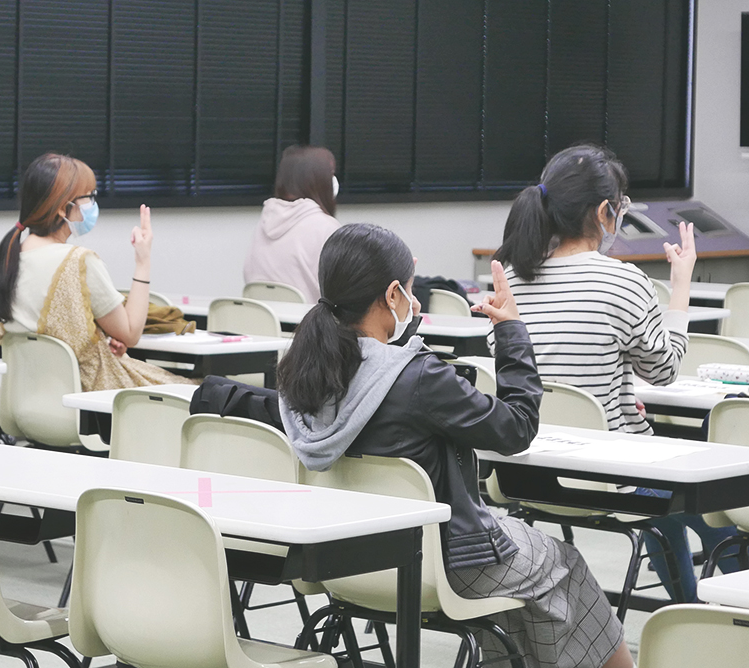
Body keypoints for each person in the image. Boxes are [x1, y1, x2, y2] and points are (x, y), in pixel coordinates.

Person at [278, 223, 631, 668]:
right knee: (565, 563)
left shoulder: (304, 371)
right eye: (409, 289)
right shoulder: (419, 377)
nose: (416, 301)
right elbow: (517, 428)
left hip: (344, 564)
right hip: (444, 564)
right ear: (392, 297)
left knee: (522, 589)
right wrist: (512, 330)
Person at [491, 143, 738, 603]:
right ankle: (706, 612)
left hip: (526, 474)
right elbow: (663, 371)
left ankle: (688, 607)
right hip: (611, 476)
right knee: (713, 502)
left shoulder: (509, 278)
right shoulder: (622, 280)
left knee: (673, 494)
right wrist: (681, 282)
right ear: (606, 211)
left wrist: (614, 398)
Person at [0, 152, 192, 390]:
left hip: (34, 401)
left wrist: (97, 341)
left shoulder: (9, 260)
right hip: (90, 394)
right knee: (202, 391)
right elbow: (130, 333)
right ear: (64, 209)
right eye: (90, 196)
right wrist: (143, 260)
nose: (94, 204)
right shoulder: (79, 261)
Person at [243, 145, 340, 302]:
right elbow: (340, 295)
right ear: (319, 180)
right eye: (330, 174)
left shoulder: (266, 219)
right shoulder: (327, 228)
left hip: (263, 322)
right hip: (307, 324)